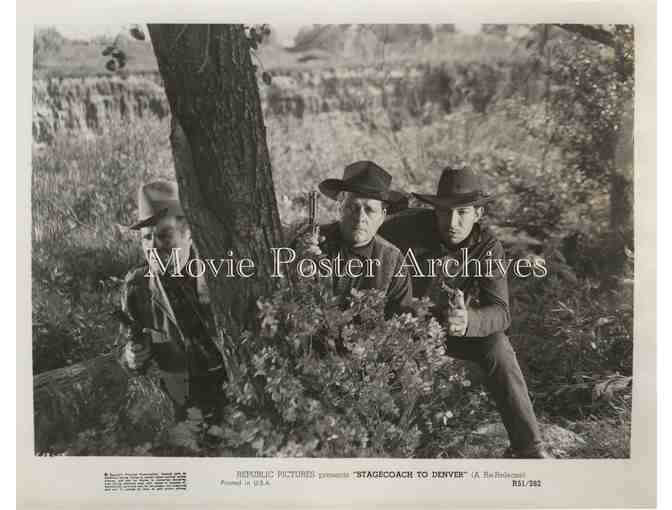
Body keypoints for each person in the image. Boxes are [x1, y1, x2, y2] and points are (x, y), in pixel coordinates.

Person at [379, 167, 551, 458]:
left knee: (497, 346)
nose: (452, 221)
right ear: (434, 210)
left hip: (453, 328)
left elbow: (501, 312)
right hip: (402, 326)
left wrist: (468, 319)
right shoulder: (403, 228)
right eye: (444, 212)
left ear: (478, 214)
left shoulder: (487, 247)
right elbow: (361, 230)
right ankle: (395, 448)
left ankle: (528, 448)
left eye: (462, 213)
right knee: (401, 415)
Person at [118, 180, 227, 420]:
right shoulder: (137, 287)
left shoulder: (220, 274)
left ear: (189, 234)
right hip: (183, 408)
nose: (153, 248)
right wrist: (133, 357)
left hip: (235, 395)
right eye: (146, 238)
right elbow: (128, 356)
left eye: (164, 236)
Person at [297, 160, 413, 318]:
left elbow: (402, 321)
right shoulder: (311, 241)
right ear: (340, 208)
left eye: (370, 210)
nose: (360, 218)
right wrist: (299, 263)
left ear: (382, 217)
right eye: (353, 207)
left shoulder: (393, 261)